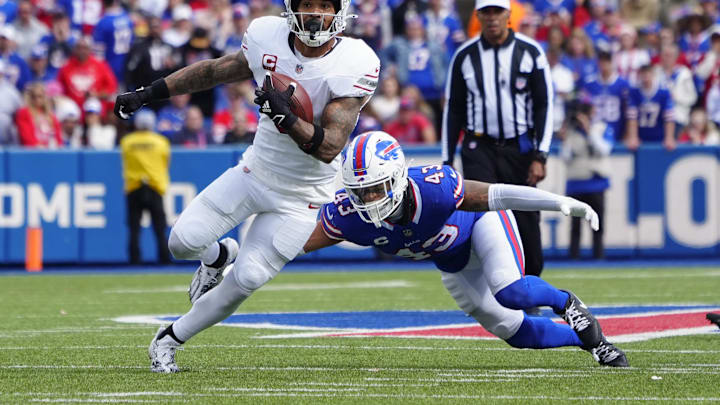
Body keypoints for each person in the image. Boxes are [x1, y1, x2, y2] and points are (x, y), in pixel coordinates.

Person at [114, 0, 380, 373]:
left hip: (304, 195)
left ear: (339, 11)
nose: (316, 13)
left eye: (324, 5)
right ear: (292, 8)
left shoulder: (355, 60)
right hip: (255, 172)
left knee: (250, 276)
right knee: (181, 242)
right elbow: (213, 71)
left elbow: (329, 147)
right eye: (308, 4)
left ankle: (169, 339)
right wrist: (148, 93)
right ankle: (216, 256)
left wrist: (287, 118)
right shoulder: (265, 35)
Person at [303, 131, 627, 367]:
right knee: (516, 333)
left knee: (511, 292)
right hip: (453, 262)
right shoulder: (349, 218)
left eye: (377, 188)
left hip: (481, 225)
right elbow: (292, 246)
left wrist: (559, 202)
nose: (371, 199)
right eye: (362, 192)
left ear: (398, 177)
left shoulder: (435, 189)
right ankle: (592, 340)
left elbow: (498, 195)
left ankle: (566, 302)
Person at [442, 0, 553, 285]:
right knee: (484, 217)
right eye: (486, 13)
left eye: (497, 12)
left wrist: (541, 155)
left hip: (519, 148)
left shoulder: (530, 52)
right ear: (478, 16)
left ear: (508, 16)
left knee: (525, 216)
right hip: (479, 146)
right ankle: (490, 285)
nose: (492, 19)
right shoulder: (465, 55)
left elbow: (544, 104)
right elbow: (453, 109)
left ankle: (531, 284)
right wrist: (447, 159)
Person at [561, 101, 612, 259]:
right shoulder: (571, 132)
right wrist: (565, 136)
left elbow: (604, 149)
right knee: (575, 226)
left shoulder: (601, 128)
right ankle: (573, 257)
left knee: (597, 224)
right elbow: (566, 157)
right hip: (576, 182)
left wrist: (589, 130)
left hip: (595, 182)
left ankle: (598, 256)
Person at [120, 110, 171, 265]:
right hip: (154, 186)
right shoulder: (161, 142)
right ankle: (164, 259)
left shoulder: (127, 141)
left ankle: (134, 260)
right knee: (159, 227)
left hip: (134, 186)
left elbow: (125, 160)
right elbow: (165, 162)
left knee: (134, 228)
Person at [627, 64, 675, 151]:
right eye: (643, 75)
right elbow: (632, 117)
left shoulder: (663, 92)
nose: (646, 78)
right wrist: (633, 137)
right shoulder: (634, 92)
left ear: (653, 75)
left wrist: (669, 138)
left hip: (659, 135)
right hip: (641, 136)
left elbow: (669, 117)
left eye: (648, 75)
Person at [16, 82, 63, 148]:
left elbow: (58, 137)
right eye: (34, 97)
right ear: (30, 97)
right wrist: (38, 146)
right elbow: (26, 136)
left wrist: (55, 146)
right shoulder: (24, 113)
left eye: (40, 96)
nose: (37, 99)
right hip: (33, 152)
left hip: (50, 151)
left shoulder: (51, 115)